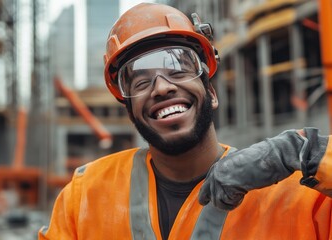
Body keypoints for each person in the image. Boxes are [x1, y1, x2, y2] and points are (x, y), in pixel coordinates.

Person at [39, 3, 332, 239]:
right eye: (140, 82)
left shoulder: (301, 199)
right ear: (130, 111)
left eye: (179, 69)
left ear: (212, 93)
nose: (162, 87)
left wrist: (307, 153)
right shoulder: (85, 197)